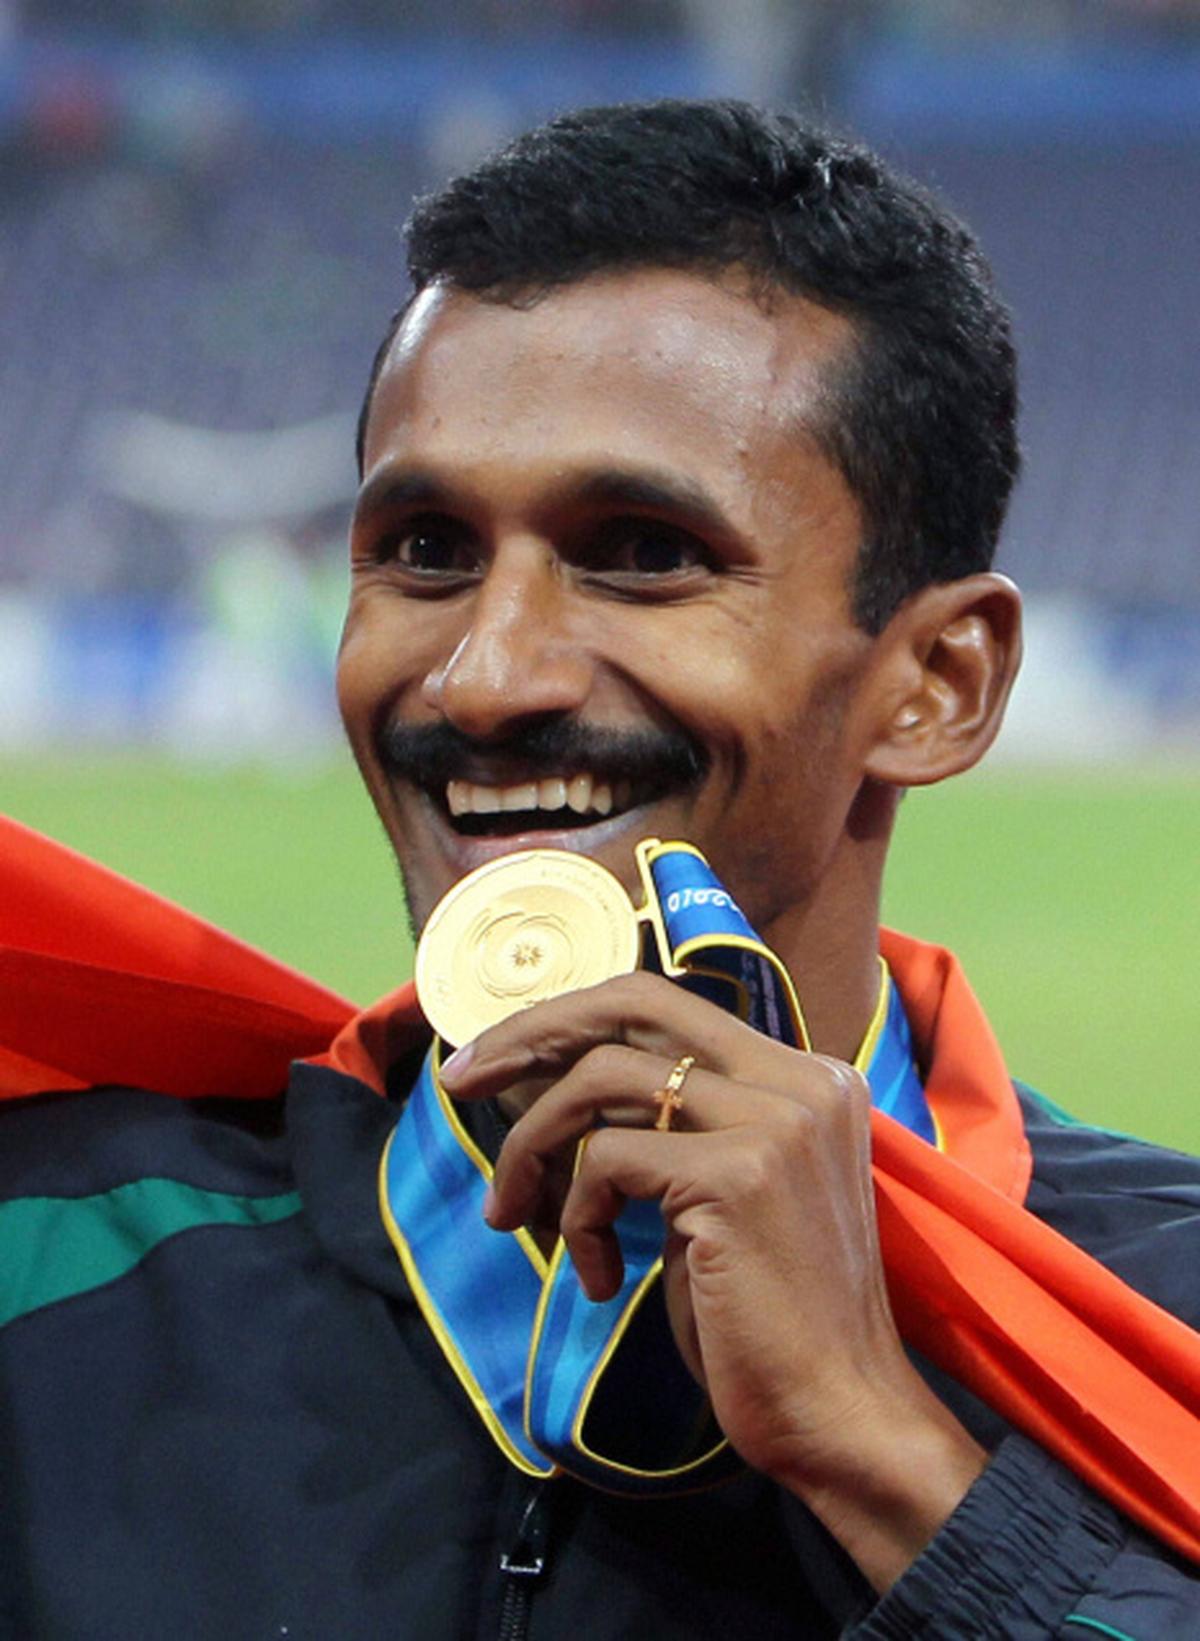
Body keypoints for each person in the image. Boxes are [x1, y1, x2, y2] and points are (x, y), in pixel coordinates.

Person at [2, 98, 1199, 1638]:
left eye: (643, 552)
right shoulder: (56, 1256)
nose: (487, 676)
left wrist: (887, 1455)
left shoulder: (1162, 1311)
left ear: (937, 683)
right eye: (426, 550)